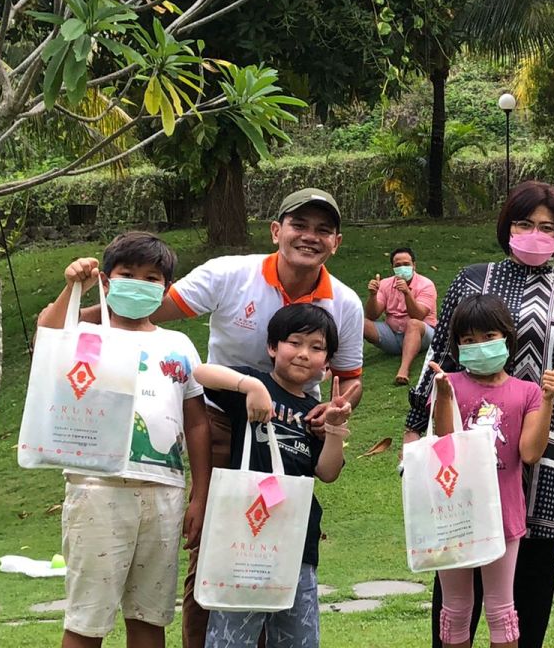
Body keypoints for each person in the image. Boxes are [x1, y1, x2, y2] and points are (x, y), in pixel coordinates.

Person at [126, 187, 365, 648]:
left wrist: (338, 409)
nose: (309, 237)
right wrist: (77, 319)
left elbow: (350, 379)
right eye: (299, 225)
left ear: (336, 242)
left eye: (323, 230)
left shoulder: (347, 303)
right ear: (277, 230)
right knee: (216, 558)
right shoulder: (230, 273)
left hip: (293, 428)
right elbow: (152, 308)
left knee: (278, 552)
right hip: (221, 419)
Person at [405, 180, 554, 648]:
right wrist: (414, 428)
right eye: (525, 223)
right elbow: (440, 356)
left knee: (532, 576)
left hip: (543, 441)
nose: (535, 233)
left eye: (547, 226)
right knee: (458, 563)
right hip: (463, 439)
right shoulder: (472, 279)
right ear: (508, 226)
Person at [36, 233, 210, 648]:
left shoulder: (178, 344)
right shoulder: (86, 336)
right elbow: (47, 335)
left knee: (150, 617)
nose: (139, 283)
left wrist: (199, 495)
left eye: (152, 277)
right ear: (108, 281)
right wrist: (72, 286)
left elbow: (197, 423)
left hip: (164, 493)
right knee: (87, 620)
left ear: (166, 287)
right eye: (127, 274)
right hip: (97, 490)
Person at [193, 304, 353, 648]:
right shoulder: (256, 386)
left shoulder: (313, 413)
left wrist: (335, 430)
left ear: (326, 364)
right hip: (244, 541)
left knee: (298, 639)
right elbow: (200, 372)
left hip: (297, 541)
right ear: (272, 347)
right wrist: (249, 385)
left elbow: (326, 473)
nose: (303, 354)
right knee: (231, 638)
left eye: (316, 347)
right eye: (294, 342)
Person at [428, 295, 554, 648]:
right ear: (456, 346)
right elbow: (445, 446)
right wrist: (442, 396)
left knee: (502, 610)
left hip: (503, 518)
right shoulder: (449, 385)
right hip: (454, 516)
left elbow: (530, 453)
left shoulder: (528, 392)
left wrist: (548, 400)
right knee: (455, 610)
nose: (479, 346)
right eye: (468, 340)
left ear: (507, 336)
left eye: (488, 336)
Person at [363, 246, 439, 385]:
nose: (402, 267)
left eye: (406, 264)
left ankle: (404, 370)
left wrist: (407, 293)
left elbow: (418, 315)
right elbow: (372, 315)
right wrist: (373, 296)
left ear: (414, 265)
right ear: (392, 267)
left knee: (413, 323)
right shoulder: (386, 284)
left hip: (423, 335)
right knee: (360, 322)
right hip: (393, 335)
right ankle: (344, 363)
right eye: (398, 265)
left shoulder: (426, 285)